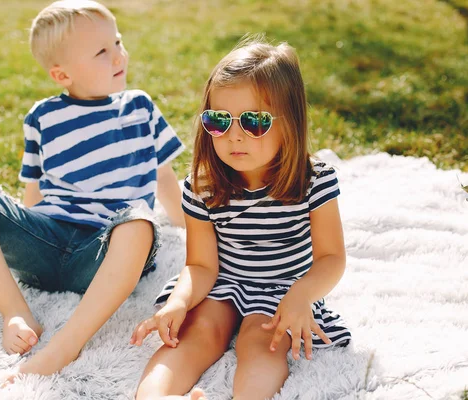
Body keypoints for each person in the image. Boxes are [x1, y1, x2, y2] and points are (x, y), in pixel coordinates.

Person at [0, 0, 185, 380]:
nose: (119, 55)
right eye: (103, 51)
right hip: (48, 243)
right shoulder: (42, 116)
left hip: (104, 254)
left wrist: (189, 230)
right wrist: (24, 230)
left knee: (139, 224)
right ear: (61, 74)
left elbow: (163, 177)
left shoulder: (139, 107)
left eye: (117, 42)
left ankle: (65, 347)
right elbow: (33, 192)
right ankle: (16, 311)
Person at [130, 37, 351, 400]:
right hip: (224, 281)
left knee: (262, 342)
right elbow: (201, 266)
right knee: (197, 333)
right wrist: (179, 302)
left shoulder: (315, 182)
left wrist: (301, 296)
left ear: (290, 123)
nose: (235, 135)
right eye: (219, 120)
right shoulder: (202, 187)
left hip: (284, 288)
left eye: (254, 121)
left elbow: (332, 259)